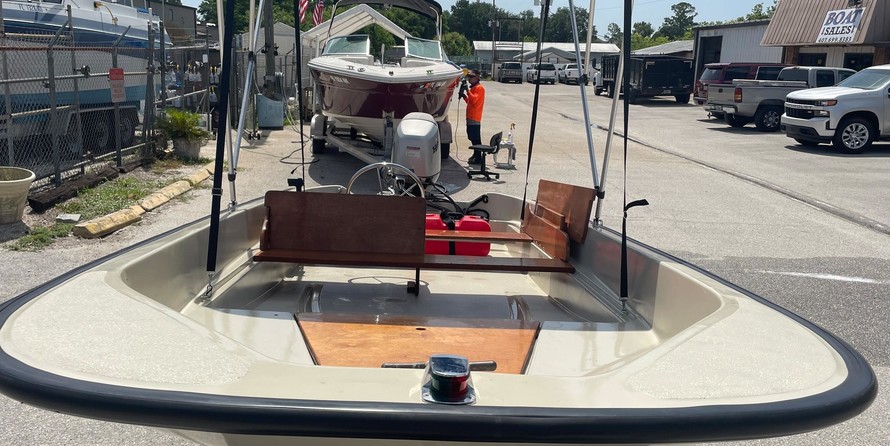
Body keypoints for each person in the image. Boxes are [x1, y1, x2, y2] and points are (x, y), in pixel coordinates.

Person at [460, 70, 485, 164]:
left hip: (474, 117)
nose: (469, 79)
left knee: (475, 138)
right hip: (470, 116)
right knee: (471, 137)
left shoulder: (480, 88)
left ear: (477, 78)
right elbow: (470, 102)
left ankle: (478, 157)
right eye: (469, 77)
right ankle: (476, 154)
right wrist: (464, 97)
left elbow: (474, 100)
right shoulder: (473, 88)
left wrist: (467, 91)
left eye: (471, 77)